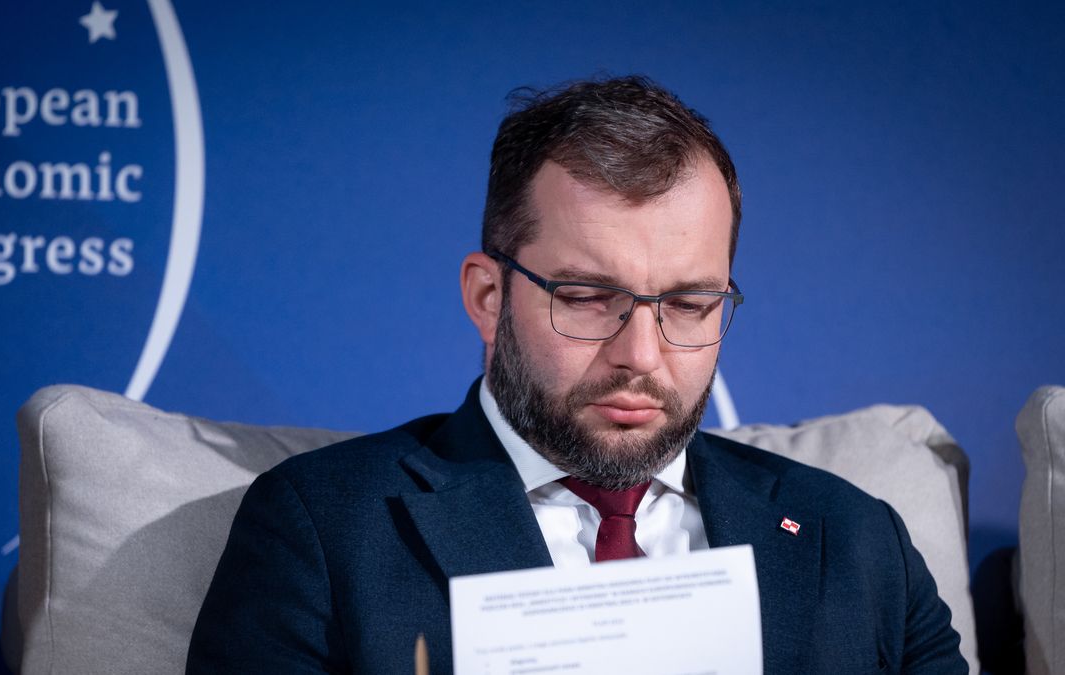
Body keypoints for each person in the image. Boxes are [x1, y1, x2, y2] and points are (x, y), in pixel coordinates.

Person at [186, 76, 966, 674]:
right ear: (488, 296)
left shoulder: (856, 539)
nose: (642, 353)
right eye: (591, 299)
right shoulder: (323, 528)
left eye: (691, 304)